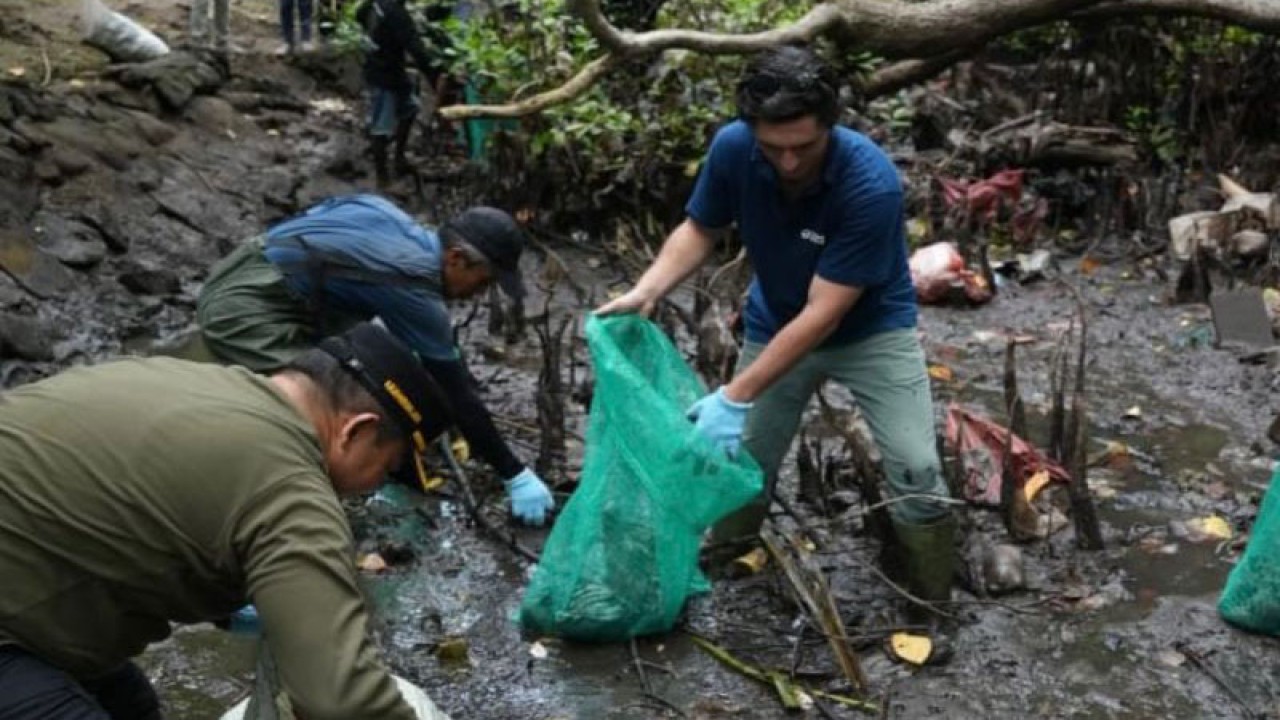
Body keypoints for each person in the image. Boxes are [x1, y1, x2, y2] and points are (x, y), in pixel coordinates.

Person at [596, 46, 955, 611]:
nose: (788, 163)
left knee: (918, 468)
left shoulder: (871, 184)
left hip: (871, 331)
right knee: (742, 463)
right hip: (776, 320)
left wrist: (734, 395)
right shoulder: (734, 148)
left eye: (803, 147)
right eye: (773, 148)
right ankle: (728, 568)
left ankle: (934, 599)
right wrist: (648, 289)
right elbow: (701, 228)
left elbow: (823, 314)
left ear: (830, 126)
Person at [0, 322, 454, 719]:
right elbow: (341, 699)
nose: (374, 485)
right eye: (387, 467)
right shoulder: (291, 488)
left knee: (131, 704)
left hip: (32, 588)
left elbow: (142, 514)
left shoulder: (189, 380)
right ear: (357, 430)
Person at [196, 193, 555, 526]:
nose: (479, 293)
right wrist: (513, 473)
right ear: (456, 258)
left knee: (356, 360)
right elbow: (457, 394)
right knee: (308, 402)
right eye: (483, 281)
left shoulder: (383, 210)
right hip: (243, 307)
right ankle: (268, 502)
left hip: (250, 264)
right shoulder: (414, 290)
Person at [356, 0, 451, 186]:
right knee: (381, 127)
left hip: (387, 69)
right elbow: (415, 48)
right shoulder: (396, 13)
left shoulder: (375, 5)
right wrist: (435, 75)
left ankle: (400, 159)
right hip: (383, 75)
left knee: (410, 109)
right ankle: (383, 179)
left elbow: (359, 16)